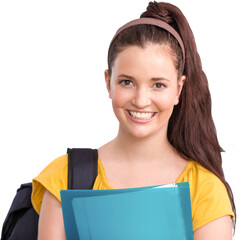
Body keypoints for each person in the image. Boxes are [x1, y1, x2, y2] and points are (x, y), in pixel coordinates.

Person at [31, 1, 236, 239]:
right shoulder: (64, 176)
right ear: (108, 82)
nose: (141, 100)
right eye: (127, 82)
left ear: (178, 89)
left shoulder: (205, 189)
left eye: (158, 85)